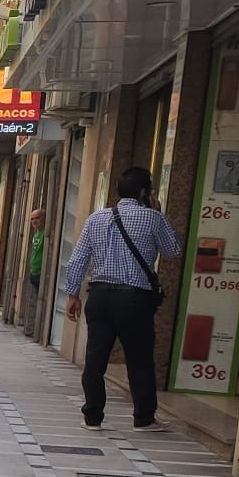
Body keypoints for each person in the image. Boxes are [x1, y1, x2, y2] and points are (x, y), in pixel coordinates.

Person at [64, 166, 182, 430]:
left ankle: (92, 416)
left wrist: (73, 294)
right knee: (139, 359)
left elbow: (78, 259)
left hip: (99, 296)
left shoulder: (96, 218)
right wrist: (160, 214)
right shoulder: (152, 218)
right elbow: (173, 249)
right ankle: (143, 417)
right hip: (134, 299)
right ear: (144, 191)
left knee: (95, 359)